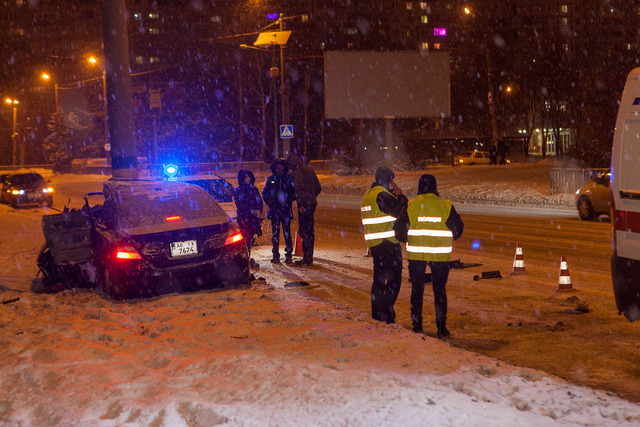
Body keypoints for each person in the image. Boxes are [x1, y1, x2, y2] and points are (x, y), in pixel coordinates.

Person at [394, 174, 464, 338]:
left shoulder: (412, 205)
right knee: (439, 290)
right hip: (440, 255)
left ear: (419, 188)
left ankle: (417, 325)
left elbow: (398, 230)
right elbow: (458, 228)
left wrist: (409, 239)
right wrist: (446, 238)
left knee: (417, 290)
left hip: (416, 255)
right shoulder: (445, 205)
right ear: (435, 188)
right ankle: (441, 327)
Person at [360, 166, 408, 324]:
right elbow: (400, 210)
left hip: (375, 244)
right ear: (387, 181)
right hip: (388, 244)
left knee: (379, 282)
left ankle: (377, 314)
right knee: (394, 282)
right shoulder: (383, 195)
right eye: (391, 181)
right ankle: (386, 315)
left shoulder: (368, 195)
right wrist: (400, 195)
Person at [287, 153, 322, 266]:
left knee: (304, 230)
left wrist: (301, 204)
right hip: (311, 204)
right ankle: (309, 256)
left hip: (304, 205)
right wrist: (311, 197)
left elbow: (299, 189)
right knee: (310, 230)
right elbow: (318, 187)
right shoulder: (310, 169)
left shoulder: (298, 172)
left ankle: (306, 258)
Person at [262, 159, 297, 264]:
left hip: (285, 210)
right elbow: (265, 193)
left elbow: (294, 193)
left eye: (281, 166)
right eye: (277, 167)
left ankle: (288, 254)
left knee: (287, 233)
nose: (279, 169)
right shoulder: (271, 179)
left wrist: (286, 200)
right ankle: (275, 255)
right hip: (274, 211)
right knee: (275, 234)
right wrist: (271, 202)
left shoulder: (288, 179)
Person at [233, 169, 263, 269]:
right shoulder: (238, 190)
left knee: (249, 239)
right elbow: (240, 205)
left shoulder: (254, 189)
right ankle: (244, 260)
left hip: (252, 220)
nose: (248, 179)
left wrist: (259, 210)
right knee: (244, 240)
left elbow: (259, 201)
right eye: (245, 177)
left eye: (249, 177)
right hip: (244, 219)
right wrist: (251, 211)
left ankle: (247, 259)